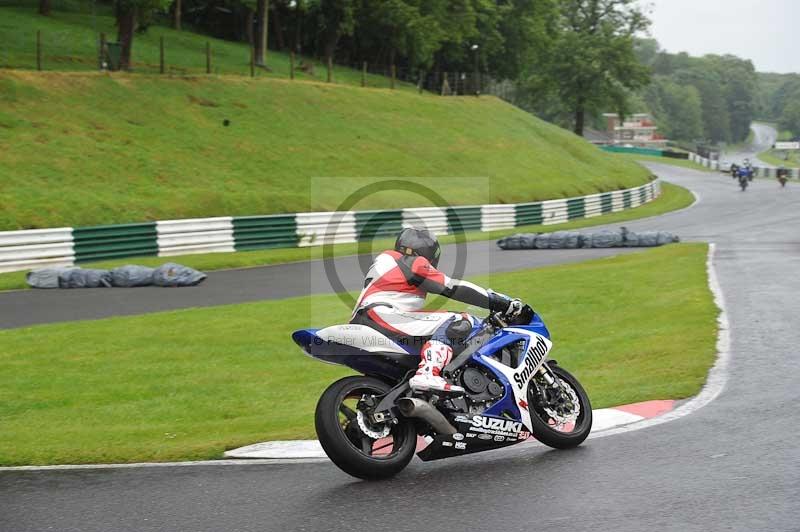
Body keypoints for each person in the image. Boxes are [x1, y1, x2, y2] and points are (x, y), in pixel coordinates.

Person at [350, 228, 525, 393]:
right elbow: (453, 287)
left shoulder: (387, 262)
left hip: (366, 319)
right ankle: (428, 373)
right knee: (459, 320)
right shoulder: (412, 262)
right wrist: (498, 301)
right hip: (383, 316)